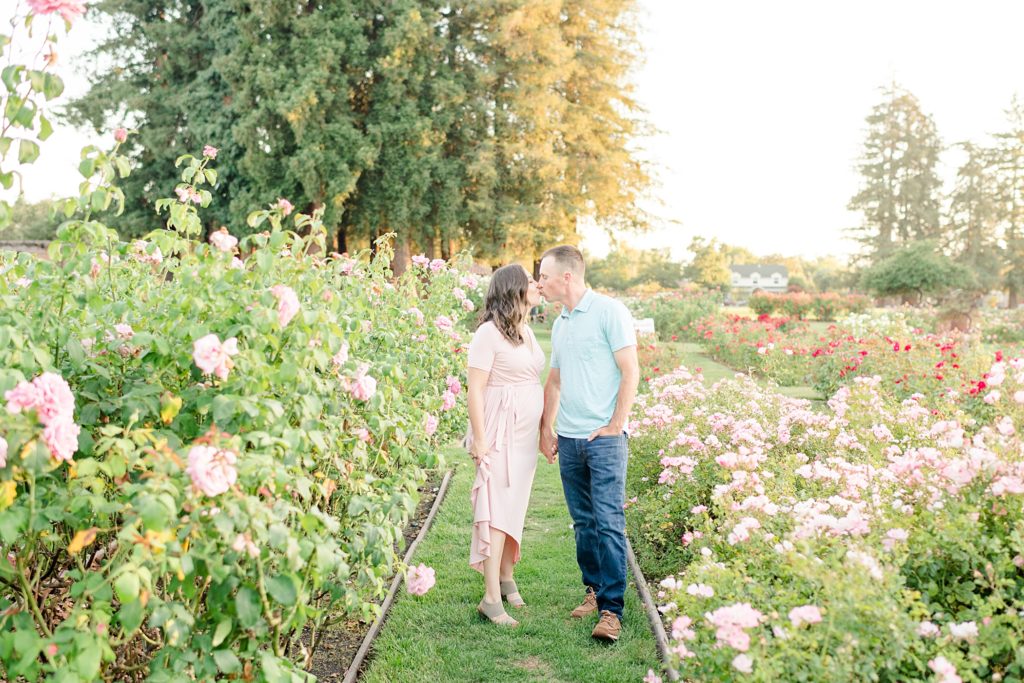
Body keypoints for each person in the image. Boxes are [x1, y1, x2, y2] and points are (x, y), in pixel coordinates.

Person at [537, 245, 639, 642]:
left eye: (544, 276)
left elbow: (630, 371)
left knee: (609, 523)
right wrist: (547, 429)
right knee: (584, 524)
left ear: (566, 276)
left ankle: (612, 610)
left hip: (604, 440)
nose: (539, 283)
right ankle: (594, 591)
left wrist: (616, 425)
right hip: (570, 438)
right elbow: (555, 381)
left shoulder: (609, 312)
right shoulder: (561, 322)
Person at [466, 264, 549, 626]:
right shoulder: (488, 333)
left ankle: (505, 577)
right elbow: (475, 389)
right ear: (514, 289)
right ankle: (489, 598)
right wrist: (480, 440)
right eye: (531, 282)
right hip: (498, 432)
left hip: (524, 438)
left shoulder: (526, 331)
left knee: (513, 508)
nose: (538, 285)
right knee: (497, 512)